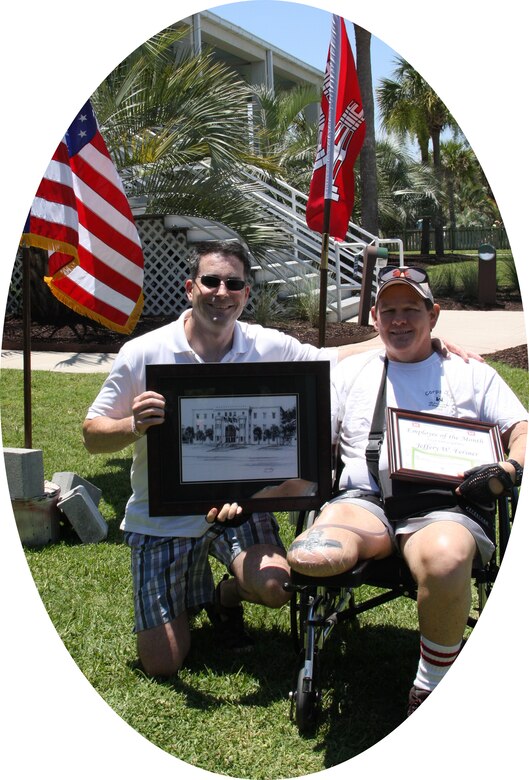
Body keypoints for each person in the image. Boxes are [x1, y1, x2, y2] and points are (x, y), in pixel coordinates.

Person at [83, 244, 478, 679]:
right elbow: (92, 435)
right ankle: (188, 599)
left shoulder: (264, 344)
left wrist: (421, 339)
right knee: (162, 664)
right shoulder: (144, 352)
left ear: (245, 294)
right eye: (210, 281)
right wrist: (133, 427)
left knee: (276, 587)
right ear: (189, 287)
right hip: (165, 515)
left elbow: (330, 360)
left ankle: (225, 597)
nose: (221, 292)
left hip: (243, 505)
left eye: (233, 284)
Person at [287, 266, 526, 716]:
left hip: (445, 507)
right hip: (365, 502)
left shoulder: (472, 374)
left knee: (445, 556)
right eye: (389, 311)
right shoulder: (350, 373)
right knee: (315, 553)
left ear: (433, 315)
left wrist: (510, 466)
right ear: (374, 317)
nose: (399, 321)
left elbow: (522, 430)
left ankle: (430, 685)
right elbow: (308, 426)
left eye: (411, 310)